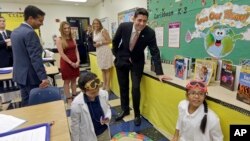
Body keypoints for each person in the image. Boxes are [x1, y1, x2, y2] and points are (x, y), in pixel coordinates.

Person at [112, 8, 172, 126]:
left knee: (135, 88)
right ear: (134, 18)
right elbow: (115, 41)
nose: (142, 23)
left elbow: (154, 51)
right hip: (122, 61)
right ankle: (124, 110)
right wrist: (117, 55)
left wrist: (159, 72)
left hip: (137, 62)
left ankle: (137, 114)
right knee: (123, 87)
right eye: (139, 20)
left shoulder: (150, 32)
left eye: (145, 21)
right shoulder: (124, 26)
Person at [10, 5, 49, 107]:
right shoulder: (30, 33)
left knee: (26, 102)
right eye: (40, 21)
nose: (42, 23)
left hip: (19, 75)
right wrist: (43, 77)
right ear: (31, 18)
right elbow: (35, 58)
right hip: (30, 76)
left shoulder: (15, 32)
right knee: (35, 104)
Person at [71, 71, 111, 141]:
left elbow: (107, 108)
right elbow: (75, 126)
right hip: (88, 136)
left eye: (97, 90)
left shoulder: (104, 94)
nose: (96, 94)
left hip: (104, 132)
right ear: (83, 91)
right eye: (93, 93)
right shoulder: (76, 104)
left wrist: (107, 117)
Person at [56, 21, 80, 102]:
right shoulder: (59, 39)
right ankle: (69, 98)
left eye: (68, 28)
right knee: (67, 82)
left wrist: (78, 61)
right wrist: (71, 63)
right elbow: (62, 54)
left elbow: (76, 50)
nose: (67, 30)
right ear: (62, 29)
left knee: (74, 80)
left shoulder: (73, 38)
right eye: (65, 28)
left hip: (75, 62)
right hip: (66, 63)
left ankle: (74, 95)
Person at [92, 18, 113, 92]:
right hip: (99, 51)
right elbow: (95, 41)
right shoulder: (94, 31)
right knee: (102, 69)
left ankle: (108, 86)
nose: (96, 25)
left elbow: (110, 40)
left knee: (106, 69)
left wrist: (100, 43)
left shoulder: (103, 30)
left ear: (100, 24)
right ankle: (104, 84)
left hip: (105, 51)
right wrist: (95, 45)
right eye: (94, 23)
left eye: (97, 23)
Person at [0, 16, 15, 91]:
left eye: (3, 21)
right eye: (0, 21)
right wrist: (5, 42)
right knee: (2, 80)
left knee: (12, 77)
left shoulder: (10, 32)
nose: (2, 22)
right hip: (1, 60)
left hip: (12, 58)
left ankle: (13, 90)